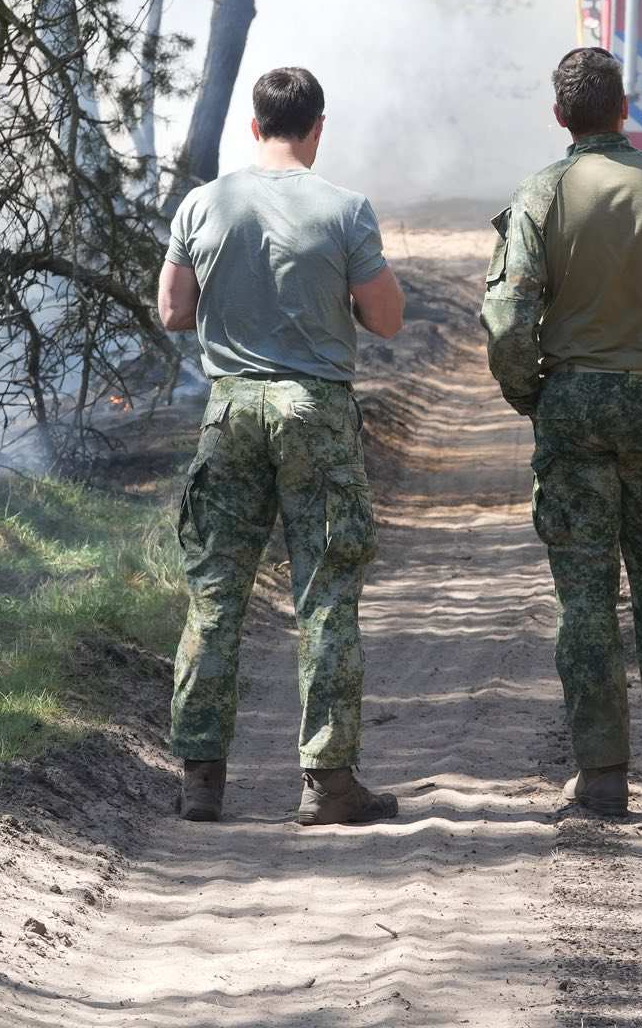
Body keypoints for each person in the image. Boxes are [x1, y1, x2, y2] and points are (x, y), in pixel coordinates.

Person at [482, 46, 642, 819]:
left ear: (560, 116)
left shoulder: (542, 192)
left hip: (571, 406)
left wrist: (531, 392)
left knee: (585, 601)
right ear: (625, 109)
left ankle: (601, 777)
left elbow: (507, 318)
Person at [159, 67, 408, 826]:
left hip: (231, 410)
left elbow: (173, 310)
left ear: (253, 126)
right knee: (325, 597)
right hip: (314, 411)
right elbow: (388, 318)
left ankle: (201, 779)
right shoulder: (345, 210)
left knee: (214, 597)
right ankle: (329, 784)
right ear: (317, 126)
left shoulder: (202, 204)